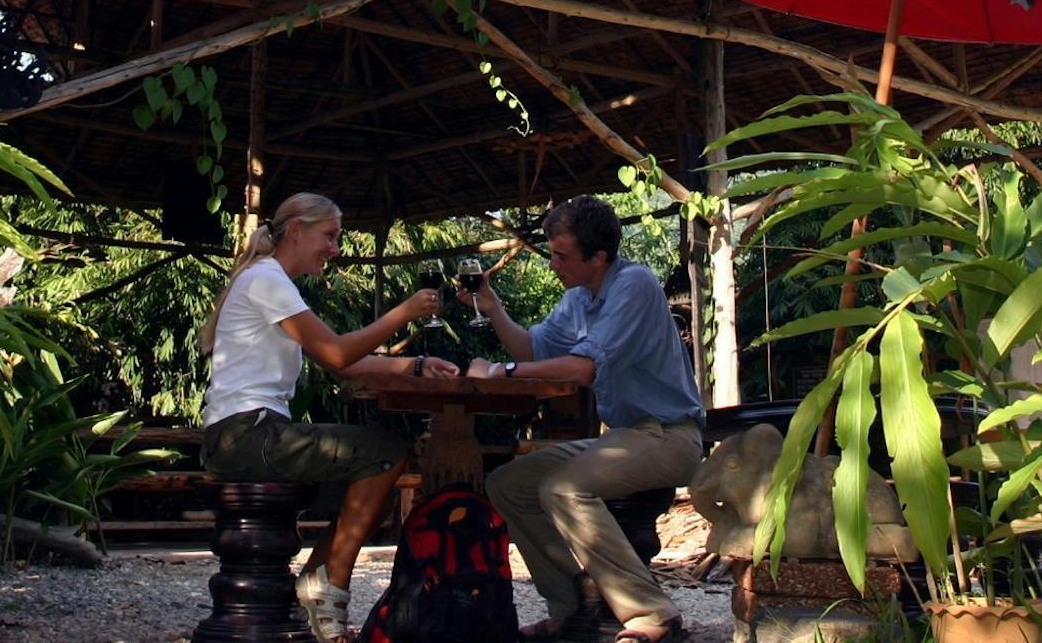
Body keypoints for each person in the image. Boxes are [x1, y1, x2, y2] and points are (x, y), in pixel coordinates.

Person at [201, 191, 455, 642]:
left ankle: (321, 578)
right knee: (381, 451)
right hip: (245, 435)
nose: (336, 249)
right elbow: (338, 354)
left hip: (248, 432)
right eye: (331, 236)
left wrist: (414, 366)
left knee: (376, 453)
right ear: (296, 230)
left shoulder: (273, 281)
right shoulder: (267, 280)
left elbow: (344, 359)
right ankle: (327, 583)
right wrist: (405, 312)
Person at [462, 196, 703, 643]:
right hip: (628, 437)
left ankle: (653, 613)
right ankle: (572, 606)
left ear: (599, 258)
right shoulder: (578, 298)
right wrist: (492, 306)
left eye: (561, 255)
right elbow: (533, 351)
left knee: (565, 486)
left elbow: (581, 369)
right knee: (508, 483)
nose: (553, 264)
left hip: (672, 438)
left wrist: (497, 372)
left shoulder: (635, 285)